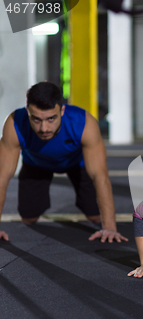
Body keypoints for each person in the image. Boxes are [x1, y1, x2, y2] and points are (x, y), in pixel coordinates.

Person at [0, 81, 127, 243]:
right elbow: (2, 178)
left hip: (77, 164)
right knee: (28, 218)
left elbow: (100, 176)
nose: (44, 128)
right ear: (27, 112)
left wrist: (109, 227)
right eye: (36, 120)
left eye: (51, 119)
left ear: (62, 110)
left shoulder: (83, 123)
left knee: (95, 216)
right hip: (36, 164)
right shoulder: (14, 123)